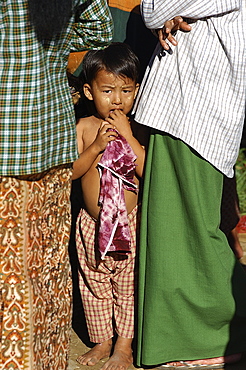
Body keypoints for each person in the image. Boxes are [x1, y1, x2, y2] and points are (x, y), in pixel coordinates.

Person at [132, 1, 246, 368]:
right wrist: (171, 16)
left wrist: (167, 13)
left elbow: (151, 8)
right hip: (188, 110)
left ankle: (219, 334)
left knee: (193, 234)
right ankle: (191, 339)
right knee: (176, 234)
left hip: (198, 113)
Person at [0, 1, 113, 369]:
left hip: (8, 139)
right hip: (52, 134)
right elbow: (100, 29)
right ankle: (45, 361)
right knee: (47, 264)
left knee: (11, 274)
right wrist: (54, 44)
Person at [72, 42, 146, 370]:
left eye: (125, 91)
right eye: (107, 90)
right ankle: (102, 341)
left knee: (128, 286)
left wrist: (128, 136)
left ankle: (124, 347)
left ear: (136, 91)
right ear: (89, 92)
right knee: (94, 283)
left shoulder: (138, 128)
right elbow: (72, 171)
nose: (117, 99)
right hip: (92, 223)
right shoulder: (86, 128)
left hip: (128, 223)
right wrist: (96, 147)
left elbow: (147, 170)